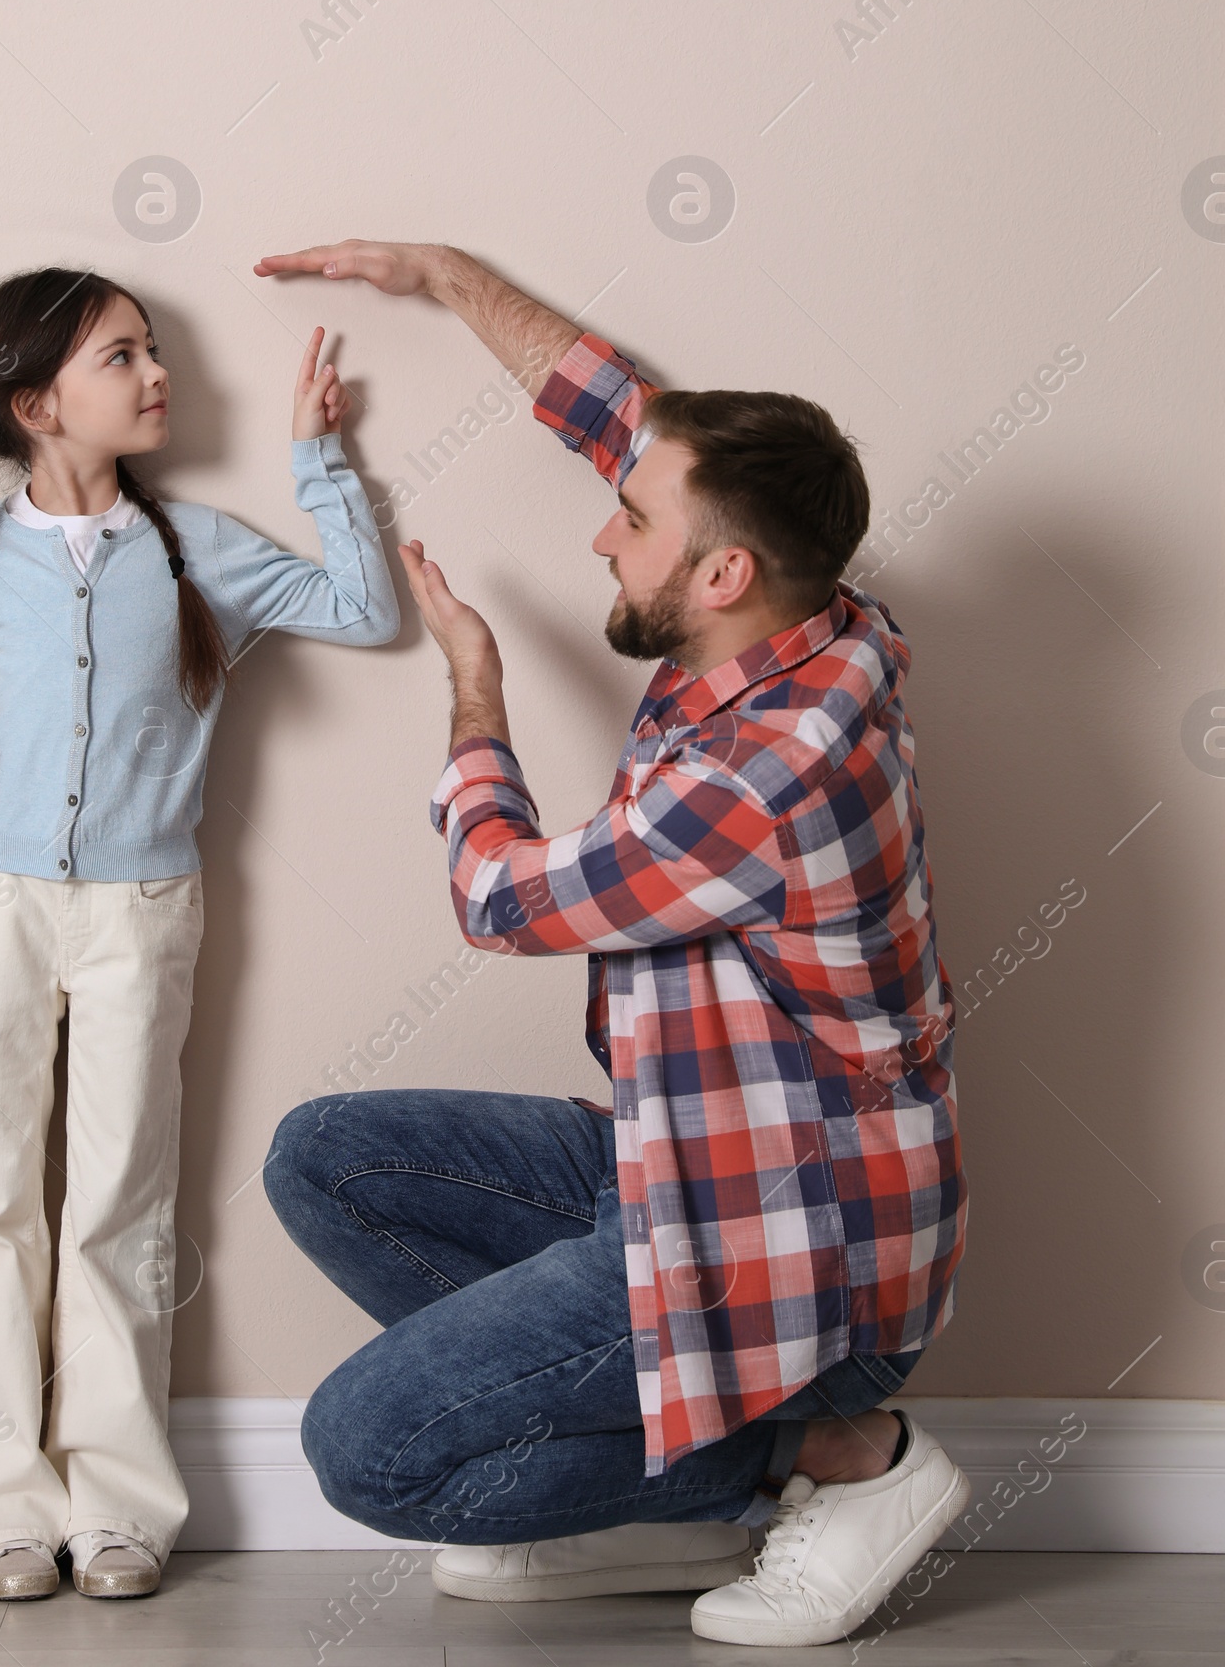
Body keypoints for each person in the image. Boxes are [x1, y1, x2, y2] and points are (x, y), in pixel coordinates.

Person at [257, 238, 970, 1649]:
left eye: (630, 522)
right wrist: (443, 276)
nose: (601, 529)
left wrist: (475, 694)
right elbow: (621, 417)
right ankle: (669, 1476)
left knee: (368, 1450)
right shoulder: (806, 621)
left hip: (792, 1260)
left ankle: (830, 1454)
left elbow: (502, 897)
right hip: (687, 1165)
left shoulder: (766, 778)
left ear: (721, 573)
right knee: (325, 1157)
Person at [0, 267, 398, 1601]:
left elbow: (366, 610)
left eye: (155, 349)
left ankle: (120, 1502)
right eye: (124, 357)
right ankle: (1, 1504)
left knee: (122, 1201)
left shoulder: (201, 552)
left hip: (142, 909)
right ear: (35, 401)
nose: (159, 373)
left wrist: (318, 458)